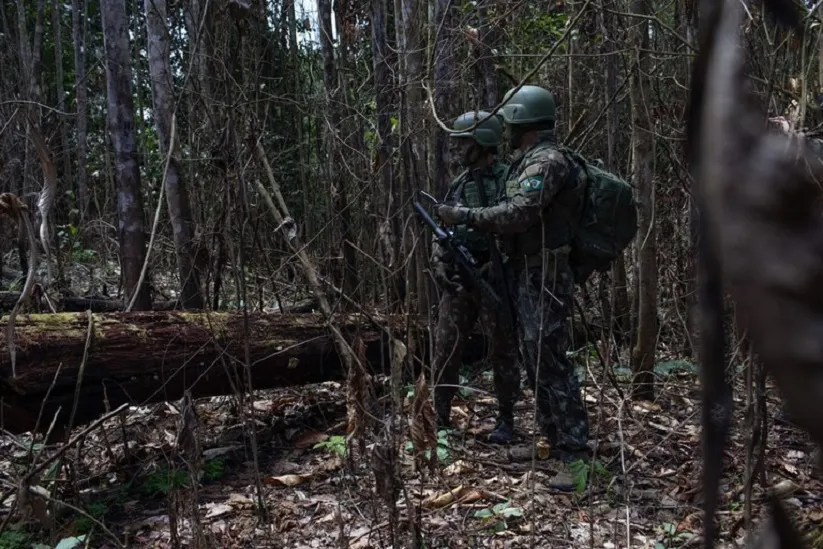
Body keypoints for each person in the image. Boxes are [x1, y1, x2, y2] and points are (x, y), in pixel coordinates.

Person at [434, 85, 591, 483]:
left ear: (522, 118)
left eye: (509, 119)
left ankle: (575, 454)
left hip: (545, 273)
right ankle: (553, 442)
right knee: (535, 355)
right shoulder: (530, 161)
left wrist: (467, 216)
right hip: (528, 272)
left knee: (549, 358)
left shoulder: (547, 160)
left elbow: (520, 213)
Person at [430, 110, 521, 444]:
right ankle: (438, 416)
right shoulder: (461, 183)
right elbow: (442, 227)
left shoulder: (509, 178)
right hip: (460, 276)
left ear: (484, 142)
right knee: (445, 345)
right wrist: (438, 260)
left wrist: (497, 266)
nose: (458, 148)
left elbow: (516, 220)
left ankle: (507, 419)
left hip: (496, 277)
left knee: (504, 349)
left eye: (465, 140)